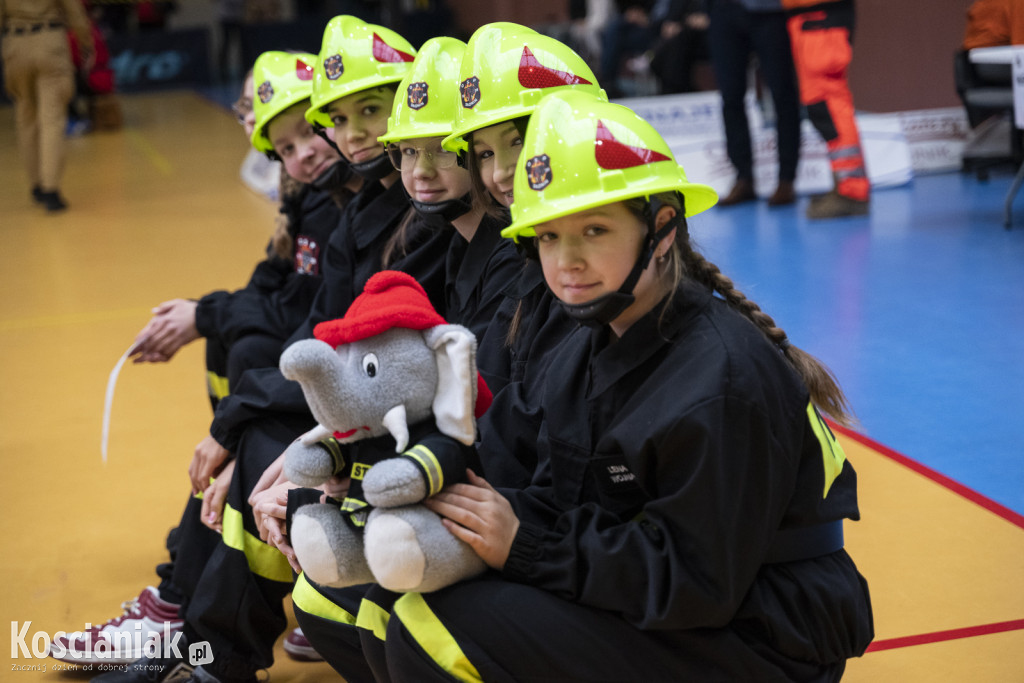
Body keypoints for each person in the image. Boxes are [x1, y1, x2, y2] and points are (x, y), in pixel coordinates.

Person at [378, 89, 874, 681]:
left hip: (763, 637)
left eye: (593, 230)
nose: (567, 262)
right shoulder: (583, 347)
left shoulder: (722, 379)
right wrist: (384, 486)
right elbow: (539, 483)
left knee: (432, 629)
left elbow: (697, 581)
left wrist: (527, 549)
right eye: (549, 237)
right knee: (387, 600)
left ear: (662, 231)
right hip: (667, 599)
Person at [51, 51, 351, 673]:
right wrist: (205, 314)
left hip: (371, 408)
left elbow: (314, 331)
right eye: (284, 147)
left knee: (253, 403)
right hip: (337, 385)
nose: (303, 154)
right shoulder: (317, 197)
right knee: (238, 354)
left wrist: (234, 419)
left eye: (312, 131)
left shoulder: (353, 207)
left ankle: (192, 610)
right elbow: (278, 296)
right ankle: (190, 583)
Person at [1, 0, 94, 212]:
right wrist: (86, 43)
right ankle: (51, 189)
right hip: (49, 43)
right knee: (51, 120)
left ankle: (36, 185)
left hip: (15, 47)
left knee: (26, 118)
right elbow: (75, 13)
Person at [706, 0, 801, 207]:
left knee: (782, 94)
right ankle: (743, 177)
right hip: (724, 11)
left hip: (770, 11)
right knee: (730, 97)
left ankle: (787, 178)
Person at [783, 0, 869, 219]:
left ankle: (852, 191)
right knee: (824, 105)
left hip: (820, 17)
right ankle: (845, 185)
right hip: (812, 17)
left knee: (829, 104)